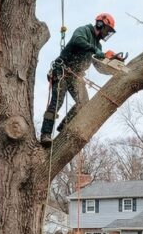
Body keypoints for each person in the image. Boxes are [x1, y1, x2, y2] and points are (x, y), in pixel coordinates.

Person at [40, 13, 126, 144]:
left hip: (76, 75)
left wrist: (112, 67)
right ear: (100, 23)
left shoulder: (99, 46)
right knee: (57, 102)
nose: (107, 33)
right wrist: (95, 50)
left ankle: (65, 126)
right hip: (62, 70)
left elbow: (99, 66)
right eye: (107, 29)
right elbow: (77, 40)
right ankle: (45, 134)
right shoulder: (84, 30)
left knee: (84, 103)